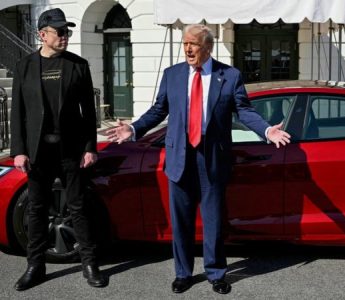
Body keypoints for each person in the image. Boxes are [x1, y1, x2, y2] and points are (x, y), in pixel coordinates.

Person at [107, 24, 290, 294]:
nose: (188, 49)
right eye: (185, 44)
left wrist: (265, 129)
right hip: (180, 157)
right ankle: (183, 273)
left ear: (208, 47)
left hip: (212, 158)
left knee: (213, 220)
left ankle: (216, 272)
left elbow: (244, 110)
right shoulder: (173, 75)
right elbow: (158, 110)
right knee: (181, 221)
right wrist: (134, 128)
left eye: (193, 44)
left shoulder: (229, 75)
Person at [10, 8, 107, 290]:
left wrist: (90, 147)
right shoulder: (25, 66)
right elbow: (18, 112)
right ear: (43, 34)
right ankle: (35, 266)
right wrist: (19, 149)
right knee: (37, 209)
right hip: (37, 151)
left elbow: (89, 113)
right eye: (60, 31)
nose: (65, 36)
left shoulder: (78, 65)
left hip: (71, 150)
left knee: (79, 207)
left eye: (67, 31)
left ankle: (89, 264)